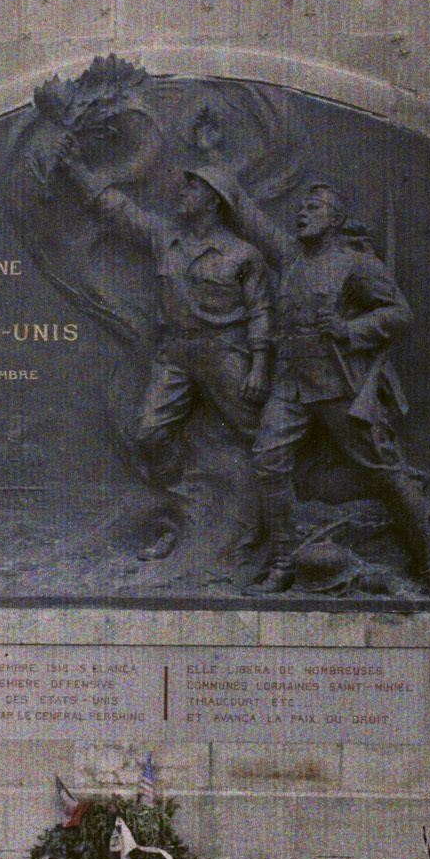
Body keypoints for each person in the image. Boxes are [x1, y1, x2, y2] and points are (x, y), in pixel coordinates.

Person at [234, 180, 430, 597]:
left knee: (384, 472)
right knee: (268, 460)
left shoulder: (354, 264)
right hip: (291, 384)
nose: (302, 213)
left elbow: (399, 313)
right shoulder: (290, 256)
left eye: (314, 208)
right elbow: (250, 215)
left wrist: (348, 329)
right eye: (301, 207)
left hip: (338, 384)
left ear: (335, 220)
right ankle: (284, 562)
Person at [54, 132, 273, 559]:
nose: (182, 192)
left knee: (262, 438)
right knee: (151, 434)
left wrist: (260, 366)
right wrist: (78, 169)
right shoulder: (165, 236)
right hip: (175, 355)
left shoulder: (242, 255)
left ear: (213, 200)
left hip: (224, 353)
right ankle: (183, 513)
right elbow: (119, 211)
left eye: (192, 187)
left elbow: (262, 311)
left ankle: (273, 530)